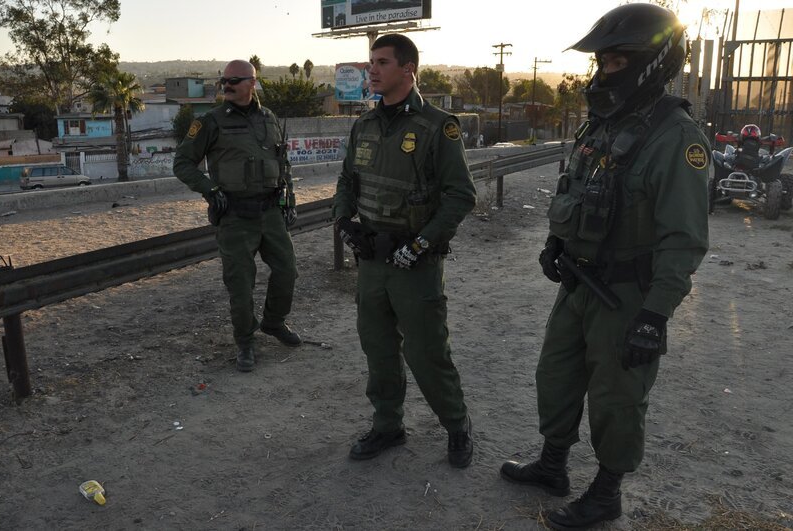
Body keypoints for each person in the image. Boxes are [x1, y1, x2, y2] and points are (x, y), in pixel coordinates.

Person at [500, 5, 709, 529]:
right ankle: (553, 466)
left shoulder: (675, 137)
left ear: (651, 63)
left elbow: (683, 241)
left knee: (617, 399)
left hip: (627, 296)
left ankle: (606, 492)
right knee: (557, 377)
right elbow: (574, 188)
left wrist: (655, 315)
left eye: (615, 61)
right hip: (578, 282)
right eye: (603, 61)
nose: (602, 73)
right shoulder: (603, 124)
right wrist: (555, 240)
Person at [332, 34, 476, 468]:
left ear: (408, 69)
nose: (371, 70)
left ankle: (456, 425)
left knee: (427, 353)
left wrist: (420, 245)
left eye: (381, 62)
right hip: (373, 264)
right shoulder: (365, 124)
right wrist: (344, 220)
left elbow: (460, 196)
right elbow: (346, 181)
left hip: (415, 265)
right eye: (370, 62)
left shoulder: (437, 126)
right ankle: (388, 425)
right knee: (377, 349)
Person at [174, 59, 301, 373]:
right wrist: (210, 189)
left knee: (287, 270)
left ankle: (273, 322)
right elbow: (183, 163)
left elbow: (281, 164)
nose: (226, 86)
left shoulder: (269, 118)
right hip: (234, 215)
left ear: (252, 82)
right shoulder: (210, 122)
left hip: (270, 211)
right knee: (241, 285)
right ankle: (245, 341)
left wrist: (290, 200)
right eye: (223, 81)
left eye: (234, 80)